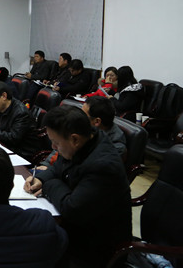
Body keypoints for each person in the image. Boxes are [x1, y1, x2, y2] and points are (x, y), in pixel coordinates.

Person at [25, 106, 131, 268]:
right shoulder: (83, 142)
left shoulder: (103, 165)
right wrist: (41, 178)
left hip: (94, 246)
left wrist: (48, 185)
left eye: (55, 143)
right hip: (75, 228)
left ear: (74, 139)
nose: (53, 147)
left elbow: (72, 209)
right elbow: (58, 167)